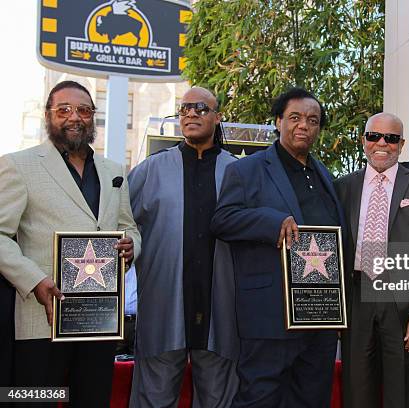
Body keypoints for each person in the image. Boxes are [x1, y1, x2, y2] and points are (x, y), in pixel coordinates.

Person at [0, 80, 140, 407]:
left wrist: (132, 245)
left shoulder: (113, 170)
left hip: (98, 319)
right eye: (63, 109)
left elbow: (128, 227)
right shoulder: (18, 165)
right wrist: (34, 280)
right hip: (41, 318)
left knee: (91, 398)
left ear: (93, 117)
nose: (74, 117)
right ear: (48, 115)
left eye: (84, 110)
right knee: (35, 400)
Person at [211, 87, 346, 408]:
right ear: (278, 121)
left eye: (312, 120)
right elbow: (222, 220)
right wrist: (271, 222)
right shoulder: (247, 169)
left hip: (320, 315)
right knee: (259, 397)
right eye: (295, 117)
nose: (304, 125)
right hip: (270, 314)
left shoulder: (324, 174)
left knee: (312, 398)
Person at [128, 87, 238, 408]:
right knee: (154, 397)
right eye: (185, 108)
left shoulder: (239, 171)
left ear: (217, 118)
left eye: (201, 108)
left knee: (219, 399)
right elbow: (120, 222)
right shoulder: (151, 170)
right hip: (164, 307)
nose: (191, 113)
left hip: (222, 310)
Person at [334, 112, 409, 408]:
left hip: (404, 301)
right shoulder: (343, 187)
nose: (382, 143)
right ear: (363, 141)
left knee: (404, 394)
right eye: (374, 136)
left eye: (391, 138)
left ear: (401, 143)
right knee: (356, 392)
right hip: (356, 298)